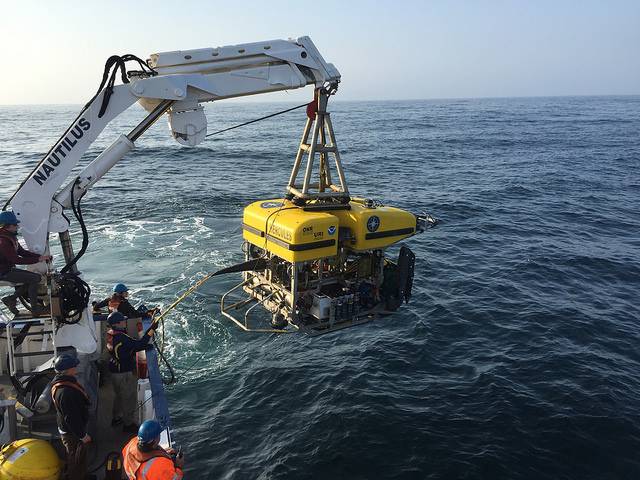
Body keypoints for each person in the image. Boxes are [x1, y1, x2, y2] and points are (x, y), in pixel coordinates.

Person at [106, 311, 155, 433]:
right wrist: (152, 329)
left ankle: (116, 417)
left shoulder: (110, 333)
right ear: (117, 323)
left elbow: (122, 349)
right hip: (123, 372)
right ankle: (128, 424)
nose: (124, 322)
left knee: (118, 396)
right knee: (128, 398)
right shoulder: (122, 337)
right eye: (122, 320)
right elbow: (140, 344)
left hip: (113, 370)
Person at [0, 210, 52, 315]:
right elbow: (16, 260)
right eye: (15, 224)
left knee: (35, 277)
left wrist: (41, 257)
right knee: (34, 279)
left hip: (7, 269)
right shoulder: (3, 241)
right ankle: (35, 310)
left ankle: (11, 299)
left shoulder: (10, 236)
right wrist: (38, 260)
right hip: (3, 273)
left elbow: (22, 252)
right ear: (7, 226)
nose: (17, 226)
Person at [51, 353, 91, 480]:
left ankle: (82, 475)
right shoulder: (66, 393)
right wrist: (82, 436)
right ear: (68, 370)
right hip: (72, 433)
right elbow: (71, 418)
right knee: (75, 458)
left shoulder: (61, 384)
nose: (76, 368)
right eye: (74, 366)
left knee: (77, 457)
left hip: (69, 429)